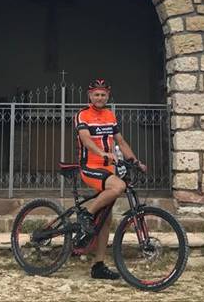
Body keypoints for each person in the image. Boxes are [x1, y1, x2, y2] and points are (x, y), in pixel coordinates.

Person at [74, 78, 146, 281]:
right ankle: (86, 214)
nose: (99, 97)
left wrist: (136, 161)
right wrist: (103, 154)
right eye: (96, 94)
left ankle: (98, 265)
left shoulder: (109, 115)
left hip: (108, 168)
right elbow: (86, 140)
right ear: (90, 96)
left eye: (103, 94)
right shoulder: (83, 115)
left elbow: (120, 142)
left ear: (108, 96)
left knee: (106, 221)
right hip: (90, 168)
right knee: (118, 186)